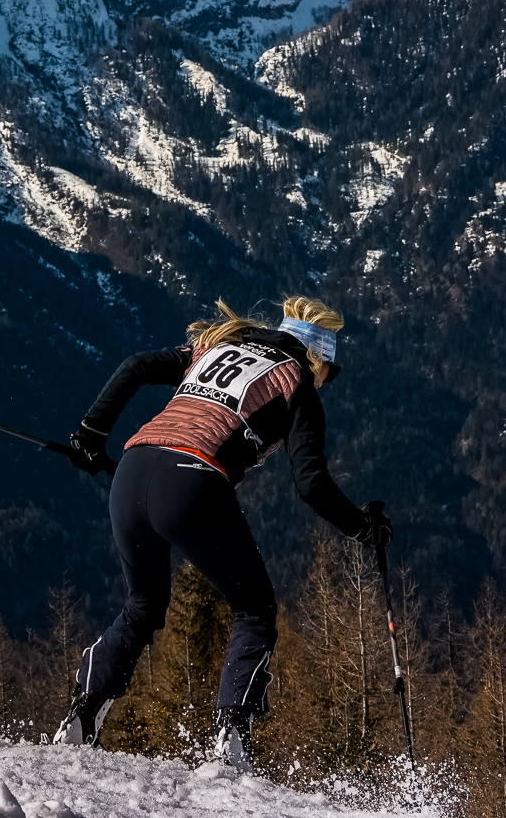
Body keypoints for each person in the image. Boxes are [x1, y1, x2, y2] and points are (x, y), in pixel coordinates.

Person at [54, 295, 393, 769]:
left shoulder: (216, 347)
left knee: (143, 607)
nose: (326, 381)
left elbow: (135, 366)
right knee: (255, 609)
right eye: (330, 373)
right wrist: (363, 528)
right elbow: (312, 485)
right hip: (193, 480)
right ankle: (232, 738)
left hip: (132, 470)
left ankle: (83, 711)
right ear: (318, 359)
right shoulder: (296, 381)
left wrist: (91, 435)